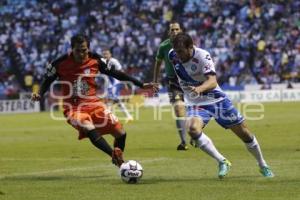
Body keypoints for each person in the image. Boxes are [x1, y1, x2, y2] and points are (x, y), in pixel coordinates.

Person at [31, 34, 158, 167]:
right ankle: (117, 160)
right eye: (78, 50)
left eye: (84, 50)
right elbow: (47, 80)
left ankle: (118, 158)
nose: (81, 54)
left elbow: (117, 74)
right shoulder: (59, 63)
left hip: (94, 103)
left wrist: (141, 84)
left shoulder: (96, 59)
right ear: (71, 49)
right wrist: (39, 93)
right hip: (73, 108)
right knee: (87, 126)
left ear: (89, 48)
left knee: (121, 133)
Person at [168, 32, 274, 178]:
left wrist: (199, 89)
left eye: (181, 51)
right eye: (176, 51)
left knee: (245, 134)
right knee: (193, 129)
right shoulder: (172, 54)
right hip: (195, 102)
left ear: (190, 47)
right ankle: (222, 161)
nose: (178, 55)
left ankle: (263, 165)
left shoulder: (202, 56)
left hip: (216, 100)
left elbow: (212, 81)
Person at [153, 22, 188, 150]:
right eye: (172, 30)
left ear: (181, 30)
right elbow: (157, 64)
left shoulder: (188, 43)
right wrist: (155, 81)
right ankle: (184, 142)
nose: (174, 32)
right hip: (173, 82)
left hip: (189, 80)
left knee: (194, 110)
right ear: (169, 32)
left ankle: (196, 135)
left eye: (177, 29)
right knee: (179, 109)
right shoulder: (164, 46)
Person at [102, 49, 133, 123]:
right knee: (116, 101)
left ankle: (109, 118)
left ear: (110, 55)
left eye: (106, 54)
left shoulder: (114, 61)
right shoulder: (102, 62)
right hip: (109, 84)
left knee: (110, 100)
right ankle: (128, 116)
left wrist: (125, 83)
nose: (105, 56)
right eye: (104, 54)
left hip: (115, 83)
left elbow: (121, 72)